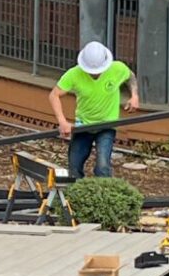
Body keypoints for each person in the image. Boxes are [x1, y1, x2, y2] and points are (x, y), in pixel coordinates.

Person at [52, 40, 139, 180]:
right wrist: (62, 122)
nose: (95, 74)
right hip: (83, 125)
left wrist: (134, 96)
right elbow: (54, 95)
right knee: (74, 166)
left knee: (103, 166)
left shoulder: (117, 69)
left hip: (106, 124)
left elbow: (130, 76)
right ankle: (74, 196)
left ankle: (103, 197)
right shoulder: (74, 74)